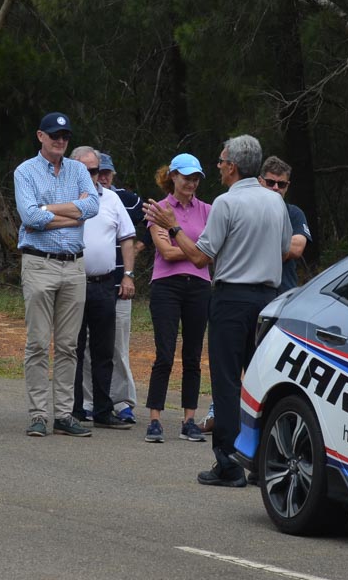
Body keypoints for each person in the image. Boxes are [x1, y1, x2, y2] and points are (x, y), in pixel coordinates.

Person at [143, 134, 288, 488]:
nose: (219, 167)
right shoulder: (275, 203)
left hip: (232, 297)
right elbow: (284, 250)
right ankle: (262, 461)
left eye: (222, 161)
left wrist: (173, 226)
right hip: (267, 298)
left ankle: (228, 462)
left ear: (234, 166)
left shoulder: (225, 203)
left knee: (226, 382)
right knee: (260, 381)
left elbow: (199, 257)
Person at [14, 112, 100, 437]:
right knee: (37, 343)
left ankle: (64, 414)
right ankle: (38, 414)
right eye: (54, 135)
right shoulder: (25, 171)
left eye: (64, 136)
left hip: (74, 265)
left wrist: (50, 209)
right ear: (40, 136)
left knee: (68, 345)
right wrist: (70, 212)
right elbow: (31, 217)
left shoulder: (79, 169)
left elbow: (92, 207)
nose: (60, 140)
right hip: (39, 263)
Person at [142, 154, 212, 445]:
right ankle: (155, 419)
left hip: (199, 286)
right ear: (172, 176)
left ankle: (189, 420)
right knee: (165, 352)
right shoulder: (158, 209)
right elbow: (167, 252)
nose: (191, 183)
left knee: (193, 356)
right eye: (186, 177)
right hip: (166, 286)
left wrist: (192, 247)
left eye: (196, 178)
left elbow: (212, 253)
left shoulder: (207, 210)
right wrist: (197, 250)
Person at [70, 146, 136, 429]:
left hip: (104, 283)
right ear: (73, 170)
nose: (91, 175)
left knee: (103, 350)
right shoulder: (64, 198)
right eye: (85, 170)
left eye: (95, 170)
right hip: (71, 282)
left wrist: (129, 275)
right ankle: (71, 410)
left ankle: (102, 410)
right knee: (71, 348)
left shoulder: (111, 199)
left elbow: (127, 237)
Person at [259, 155, 311, 293]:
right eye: (270, 182)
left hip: (284, 292)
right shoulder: (248, 211)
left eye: (281, 184)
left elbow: (297, 248)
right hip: (254, 292)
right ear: (260, 182)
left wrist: (259, 247)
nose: (276, 188)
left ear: (287, 186)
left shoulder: (294, 213)